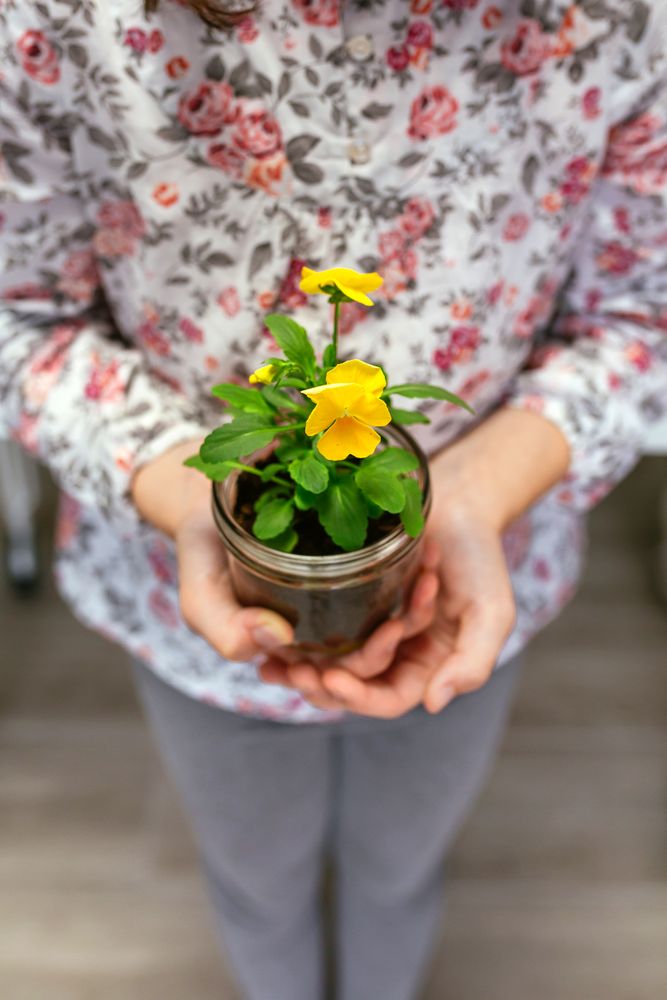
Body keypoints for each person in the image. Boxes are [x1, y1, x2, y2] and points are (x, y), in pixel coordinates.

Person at [1, 1, 665, 997]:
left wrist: (478, 495)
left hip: (466, 591)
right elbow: (22, 316)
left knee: (399, 866)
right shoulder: (56, 20)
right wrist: (184, 493)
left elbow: (641, 314)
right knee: (255, 878)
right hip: (194, 608)